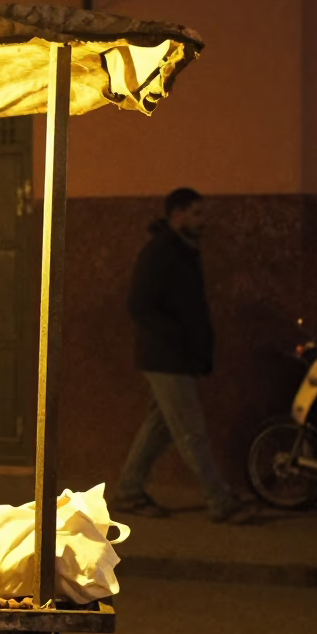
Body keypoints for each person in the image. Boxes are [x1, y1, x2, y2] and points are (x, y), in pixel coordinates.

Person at [116, 188, 253, 524]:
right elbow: (138, 304)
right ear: (177, 215)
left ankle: (129, 490)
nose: (203, 221)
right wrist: (178, 339)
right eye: (196, 214)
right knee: (191, 431)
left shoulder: (181, 251)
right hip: (167, 357)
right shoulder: (162, 252)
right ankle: (219, 499)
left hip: (172, 355)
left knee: (160, 425)